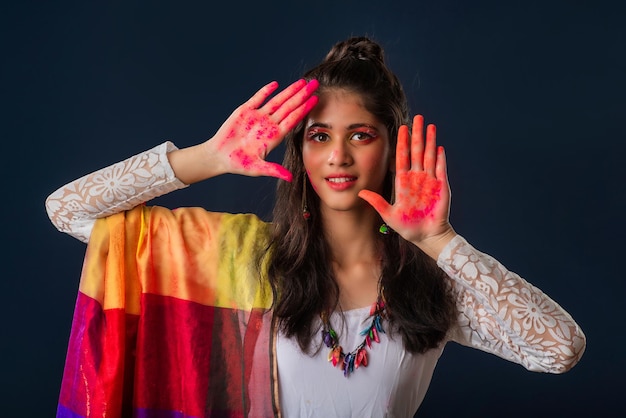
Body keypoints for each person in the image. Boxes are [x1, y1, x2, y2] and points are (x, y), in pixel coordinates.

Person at [46, 36, 586, 418]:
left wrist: (438, 242)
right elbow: (67, 209)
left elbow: (558, 350)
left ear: (390, 147)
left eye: (362, 135)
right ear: (301, 149)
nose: (339, 156)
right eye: (320, 136)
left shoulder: (427, 281)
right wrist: (209, 157)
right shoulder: (247, 258)